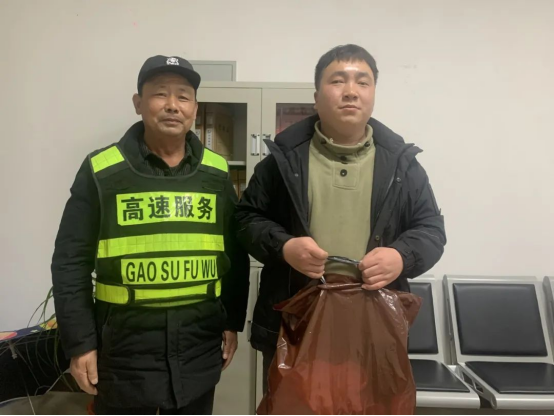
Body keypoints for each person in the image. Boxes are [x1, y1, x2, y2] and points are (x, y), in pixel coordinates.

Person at [235, 44, 446, 392]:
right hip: (296, 324)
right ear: (316, 97)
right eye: (337, 81)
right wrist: (285, 247)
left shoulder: (402, 165)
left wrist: (400, 256)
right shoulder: (283, 160)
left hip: (374, 328)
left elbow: (431, 230)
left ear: (373, 94)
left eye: (362, 82)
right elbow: (246, 219)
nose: (350, 91)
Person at [52, 55, 250, 415]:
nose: (173, 105)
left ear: (194, 109)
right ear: (138, 103)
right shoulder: (102, 171)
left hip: (197, 348)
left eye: (183, 96)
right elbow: (70, 260)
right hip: (124, 354)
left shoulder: (216, 172)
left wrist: (232, 322)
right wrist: (80, 344)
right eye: (160, 93)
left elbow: (235, 254)